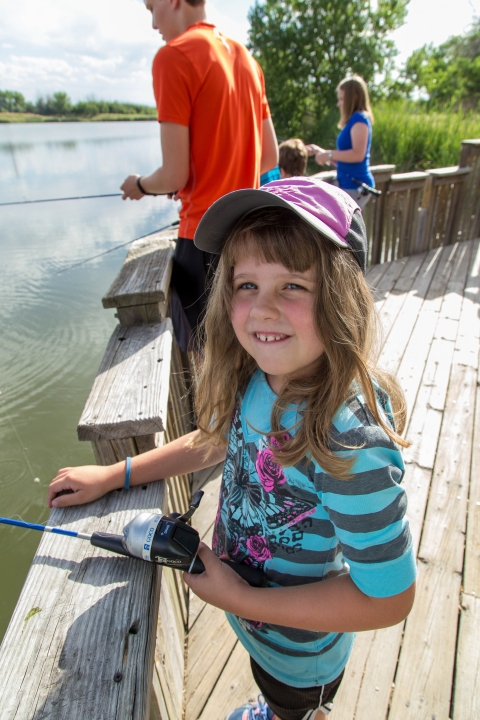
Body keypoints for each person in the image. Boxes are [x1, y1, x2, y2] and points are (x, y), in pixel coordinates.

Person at [48, 177, 416, 720]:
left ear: (342, 297)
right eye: (247, 284)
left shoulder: (347, 438)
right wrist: (116, 474)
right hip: (256, 620)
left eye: (293, 285)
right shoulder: (260, 376)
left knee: (291, 708)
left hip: (299, 656)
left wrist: (239, 598)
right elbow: (214, 440)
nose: (262, 309)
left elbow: (389, 599)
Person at [120, 0, 278, 349]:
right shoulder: (247, 60)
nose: (153, 23)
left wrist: (141, 185)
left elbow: (173, 176)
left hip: (202, 239)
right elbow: (269, 157)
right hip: (247, 233)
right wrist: (213, 173)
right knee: (249, 347)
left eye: (151, 8)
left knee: (209, 355)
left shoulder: (173, 56)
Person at [307, 75, 375, 210]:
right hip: (348, 185)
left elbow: (358, 155)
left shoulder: (359, 119)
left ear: (354, 98)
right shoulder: (355, 120)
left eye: (342, 99)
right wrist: (323, 154)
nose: (339, 104)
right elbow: (347, 159)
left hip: (355, 186)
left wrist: (329, 155)